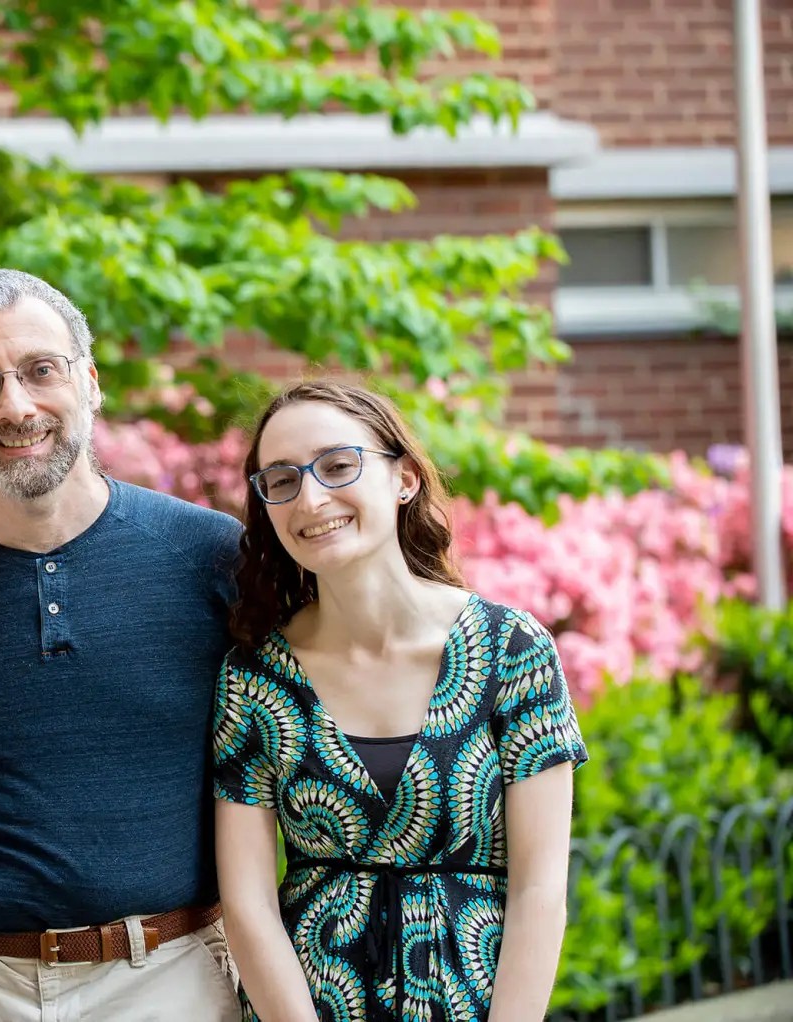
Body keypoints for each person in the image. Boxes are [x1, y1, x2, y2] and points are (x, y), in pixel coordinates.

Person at [0, 269, 244, 1021]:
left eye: (39, 371)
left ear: (89, 383)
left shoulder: (215, 561)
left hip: (169, 981)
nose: (16, 405)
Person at [211, 380, 586, 1022]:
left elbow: (540, 888)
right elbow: (245, 904)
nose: (311, 497)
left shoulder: (512, 651)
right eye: (281, 480)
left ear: (404, 478)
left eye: (337, 465)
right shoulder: (253, 676)